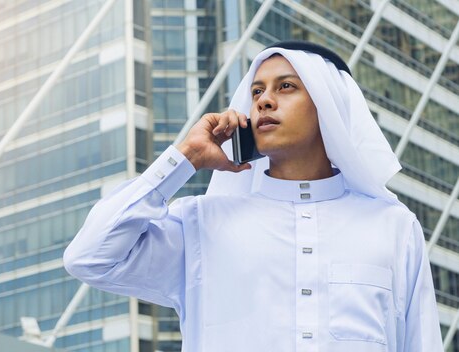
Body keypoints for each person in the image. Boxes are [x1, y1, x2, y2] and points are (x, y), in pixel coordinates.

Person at [63, 40, 444, 351]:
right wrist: (186, 158)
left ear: (328, 106)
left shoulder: (393, 227)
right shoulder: (200, 224)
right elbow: (89, 258)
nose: (263, 100)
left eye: (286, 87)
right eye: (257, 91)